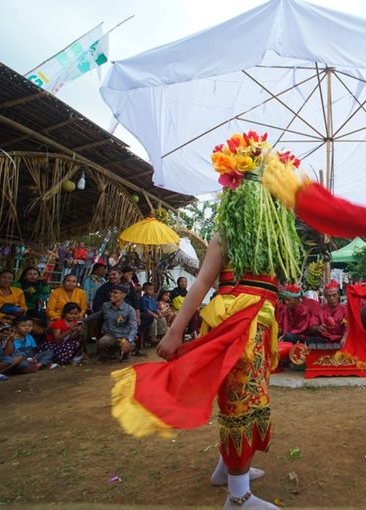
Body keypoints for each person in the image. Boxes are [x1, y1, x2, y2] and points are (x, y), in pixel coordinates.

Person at [112, 130, 303, 509]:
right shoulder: (226, 234)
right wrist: (176, 330)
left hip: (257, 322)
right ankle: (238, 495)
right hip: (235, 322)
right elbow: (201, 282)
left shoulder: (275, 235)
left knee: (246, 396)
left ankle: (227, 470)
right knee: (241, 400)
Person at [87, 285, 137, 363]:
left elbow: (134, 327)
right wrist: (83, 320)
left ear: (123, 295)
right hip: (110, 335)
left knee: (130, 345)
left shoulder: (130, 310)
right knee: (103, 342)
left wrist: (129, 340)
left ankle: (124, 355)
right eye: (111, 292)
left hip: (124, 336)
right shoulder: (106, 306)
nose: (111, 294)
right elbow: (97, 315)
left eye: (115, 292)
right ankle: (104, 357)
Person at [138, 282, 160, 353]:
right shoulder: (143, 299)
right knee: (154, 321)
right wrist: (154, 315)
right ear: (144, 290)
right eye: (149, 289)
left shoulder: (153, 299)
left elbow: (156, 308)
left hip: (153, 313)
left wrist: (159, 313)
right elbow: (145, 309)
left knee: (162, 320)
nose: (151, 291)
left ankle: (161, 336)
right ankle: (152, 337)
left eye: (152, 289)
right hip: (147, 315)